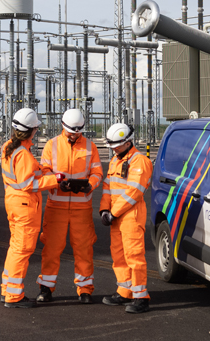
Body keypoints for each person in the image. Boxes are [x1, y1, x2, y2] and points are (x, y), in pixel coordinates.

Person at [35, 108, 103, 304]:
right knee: (52, 249)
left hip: (82, 208)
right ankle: (46, 288)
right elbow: (45, 171)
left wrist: (91, 185)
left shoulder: (91, 147)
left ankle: (85, 289)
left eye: (78, 132)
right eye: (72, 132)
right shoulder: (51, 145)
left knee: (84, 249)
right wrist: (58, 183)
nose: (75, 135)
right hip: (56, 206)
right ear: (64, 127)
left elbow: (97, 172)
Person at [1, 107, 62, 308]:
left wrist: (43, 170)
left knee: (15, 249)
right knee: (23, 250)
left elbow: (23, 175)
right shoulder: (23, 154)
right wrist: (55, 179)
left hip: (13, 203)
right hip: (25, 206)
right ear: (33, 130)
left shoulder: (9, 148)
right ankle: (14, 296)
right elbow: (29, 184)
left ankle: (6, 290)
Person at [100, 123, 152, 314]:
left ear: (128, 142)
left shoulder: (140, 161)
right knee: (118, 256)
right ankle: (125, 291)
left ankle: (141, 297)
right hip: (116, 215)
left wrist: (113, 212)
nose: (114, 148)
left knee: (134, 257)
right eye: (112, 145)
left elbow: (134, 192)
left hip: (130, 216)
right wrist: (104, 209)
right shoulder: (115, 160)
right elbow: (107, 186)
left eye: (118, 145)